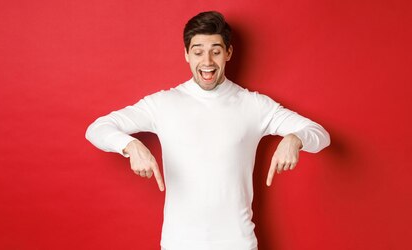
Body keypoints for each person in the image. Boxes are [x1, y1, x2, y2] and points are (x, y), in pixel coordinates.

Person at [85, 11, 330, 250]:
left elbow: (320, 135)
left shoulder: (254, 105)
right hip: (178, 244)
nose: (207, 62)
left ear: (228, 53)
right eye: (198, 52)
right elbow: (97, 129)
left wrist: (295, 138)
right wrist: (130, 146)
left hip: (238, 243)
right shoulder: (163, 103)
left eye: (215, 51)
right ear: (186, 55)